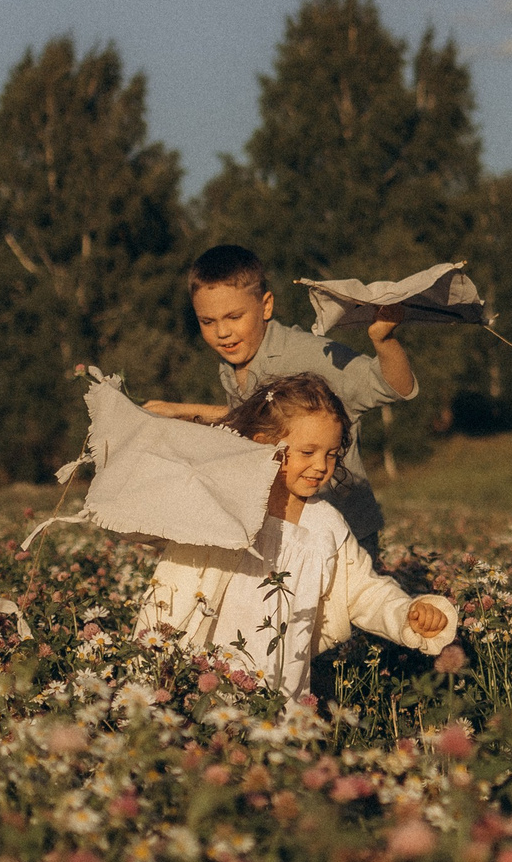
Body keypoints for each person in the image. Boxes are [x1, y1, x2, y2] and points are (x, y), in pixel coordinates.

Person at [133, 373, 458, 697]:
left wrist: (406, 613)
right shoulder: (223, 505)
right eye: (308, 452)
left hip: (276, 684)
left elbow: (364, 592)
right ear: (265, 445)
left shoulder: (326, 526)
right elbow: (169, 571)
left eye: (331, 454)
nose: (321, 465)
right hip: (198, 672)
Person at [144, 243, 416, 551]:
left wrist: (384, 340)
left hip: (342, 532)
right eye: (208, 321)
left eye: (234, 316)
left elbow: (393, 386)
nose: (222, 332)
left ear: (266, 306)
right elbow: (247, 415)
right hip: (286, 529)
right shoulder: (233, 361)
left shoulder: (307, 354)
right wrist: (176, 411)